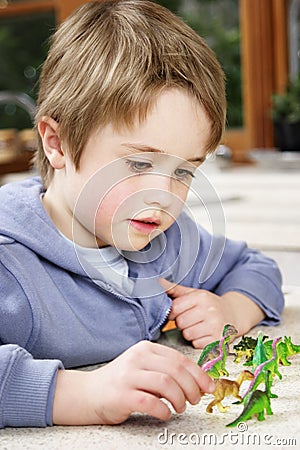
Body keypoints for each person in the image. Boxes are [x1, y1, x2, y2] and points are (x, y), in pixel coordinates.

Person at [0, 0, 283, 428]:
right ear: (56, 144)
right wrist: (84, 394)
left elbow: (255, 266)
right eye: (138, 164)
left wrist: (229, 310)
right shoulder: (11, 267)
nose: (165, 196)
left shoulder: (167, 240)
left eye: (185, 170)